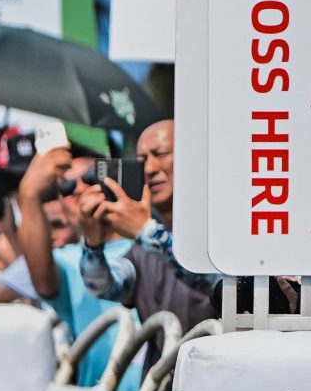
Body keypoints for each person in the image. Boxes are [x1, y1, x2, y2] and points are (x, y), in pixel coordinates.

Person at [9, 143, 139, 384]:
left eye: (90, 177)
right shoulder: (67, 260)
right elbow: (41, 276)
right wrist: (29, 192)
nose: (79, 189)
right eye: (67, 186)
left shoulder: (149, 242)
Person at [75, 119, 216, 332]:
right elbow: (104, 288)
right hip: (160, 365)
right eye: (142, 160)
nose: (150, 169)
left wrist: (146, 230)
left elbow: (217, 283)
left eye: (160, 154)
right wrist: (93, 245)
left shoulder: (217, 233)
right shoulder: (142, 248)